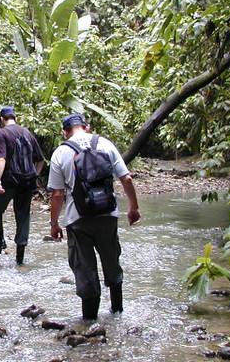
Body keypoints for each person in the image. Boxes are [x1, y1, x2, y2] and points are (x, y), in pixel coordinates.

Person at [47, 113, 141, 321]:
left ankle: (89, 325)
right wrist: (133, 208)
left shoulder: (60, 152)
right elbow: (126, 178)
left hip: (77, 219)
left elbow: (57, 194)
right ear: (86, 127)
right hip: (107, 214)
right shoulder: (105, 144)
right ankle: (117, 313)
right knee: (111, 260)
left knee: (84, 268)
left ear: (65, 132)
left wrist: (54, 224)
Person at [0, 106, 44, 265]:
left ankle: (0, 242)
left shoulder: (1, 133)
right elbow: (40, 160)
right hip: (27, 182)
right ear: (15, 118)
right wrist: (35, 176)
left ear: (2, 119)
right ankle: (20, 259)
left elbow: (1, 158)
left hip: (8, 181)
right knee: (23, 216)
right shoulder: (27, 132)